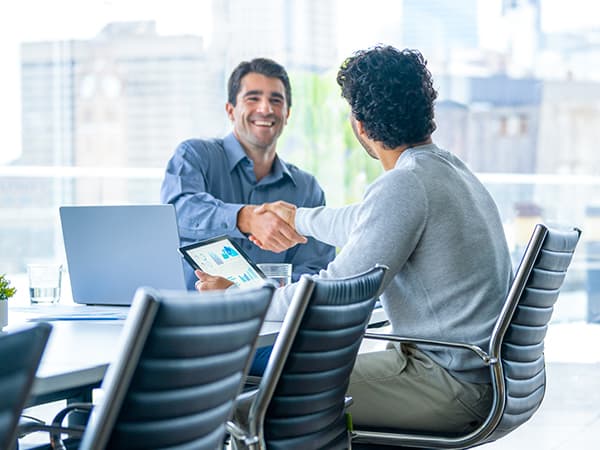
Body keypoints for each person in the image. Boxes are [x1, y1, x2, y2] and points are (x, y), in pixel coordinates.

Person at [195, 45, 513, 433]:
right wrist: (299, 219)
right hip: (478, 373)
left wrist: (235, 296)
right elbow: (367, 222)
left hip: (444, 382)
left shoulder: (405, 184)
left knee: (244, 407)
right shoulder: (444, 169)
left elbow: (331, 294)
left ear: (359, 126)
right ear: (427, 112)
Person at [160, 57, 335, 291]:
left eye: (276, 100)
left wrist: (251, 290)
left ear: (287, 114)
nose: (265, 108)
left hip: (271, 322)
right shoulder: (194, 156)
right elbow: (178, 212)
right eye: (253, 98)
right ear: (230, 110)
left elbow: (315, 271)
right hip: (193, 317)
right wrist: (246, 218)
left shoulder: (306, 189)